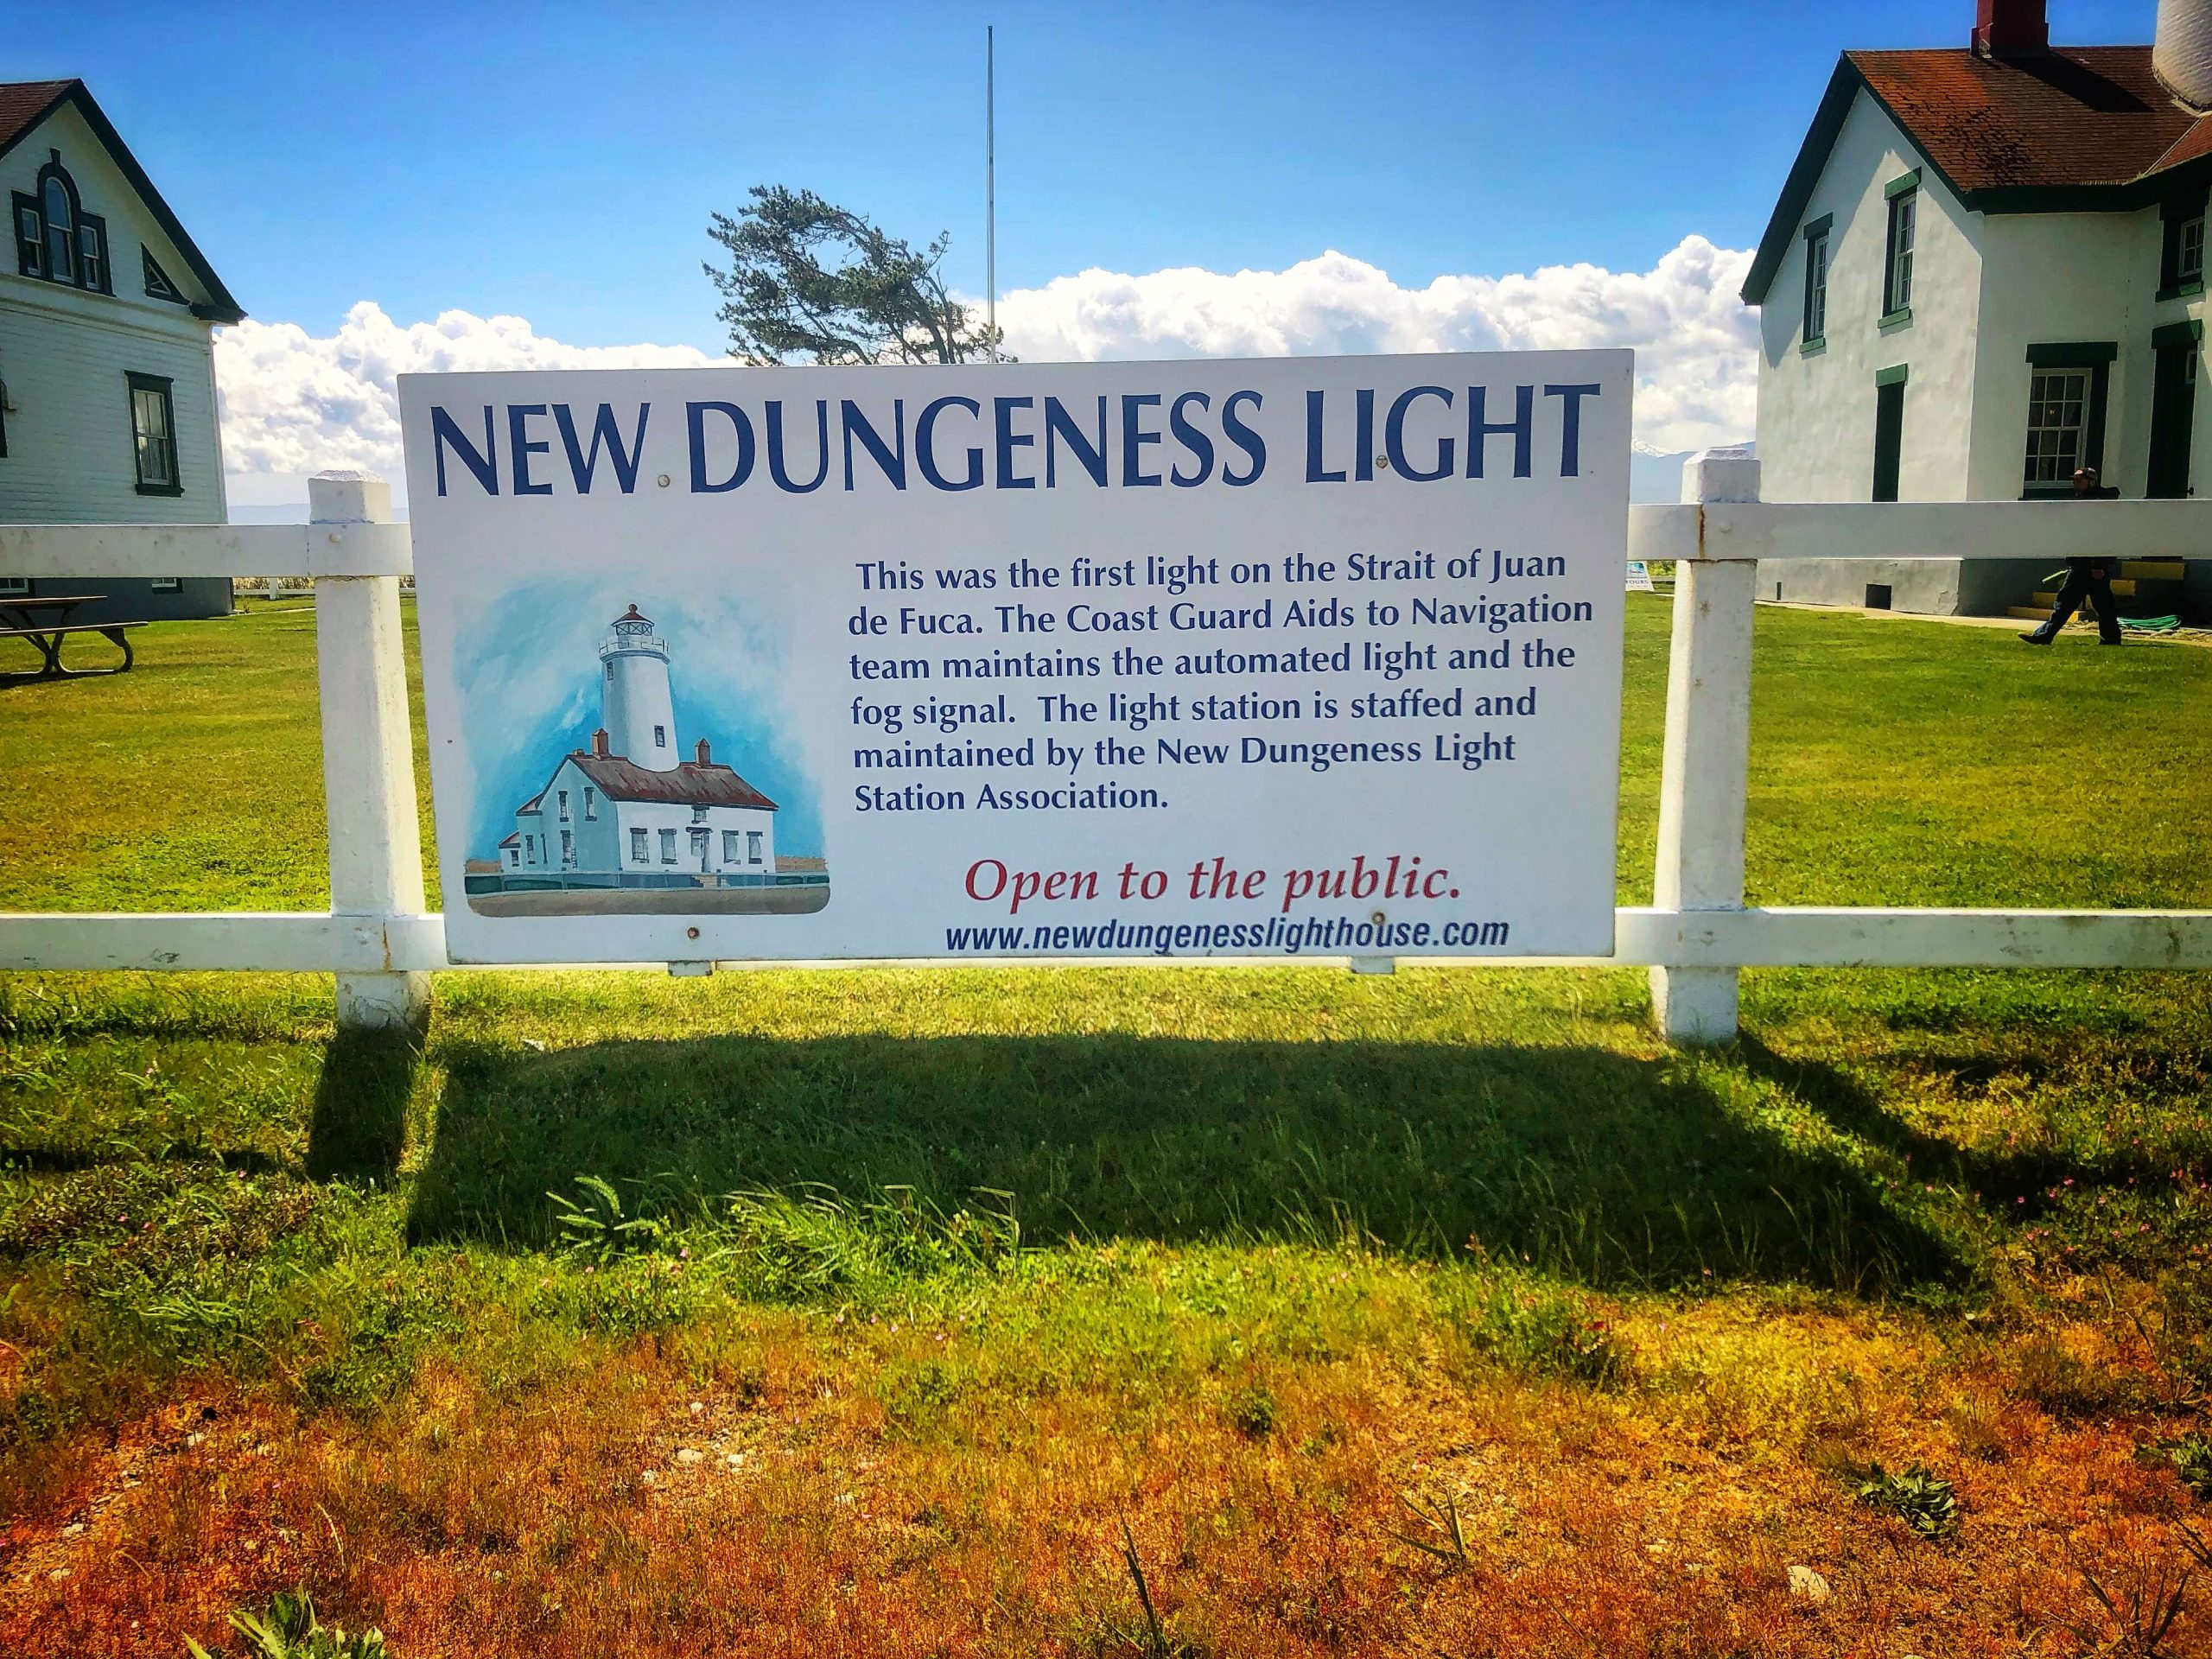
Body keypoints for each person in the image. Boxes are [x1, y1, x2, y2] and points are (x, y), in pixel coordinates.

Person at [2019, 465, 2123, 646]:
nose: (2075, 484)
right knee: (2100, 604)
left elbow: (2102, 535)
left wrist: (2099, 564)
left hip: (2089, 564)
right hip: (2081, 561)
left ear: (2090, 482)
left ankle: (2044, 635)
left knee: (2068, 602)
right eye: (2074, 481)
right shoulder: (2083, 502)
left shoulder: (2098, 505)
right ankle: (2111, 639)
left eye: (2079, 481)